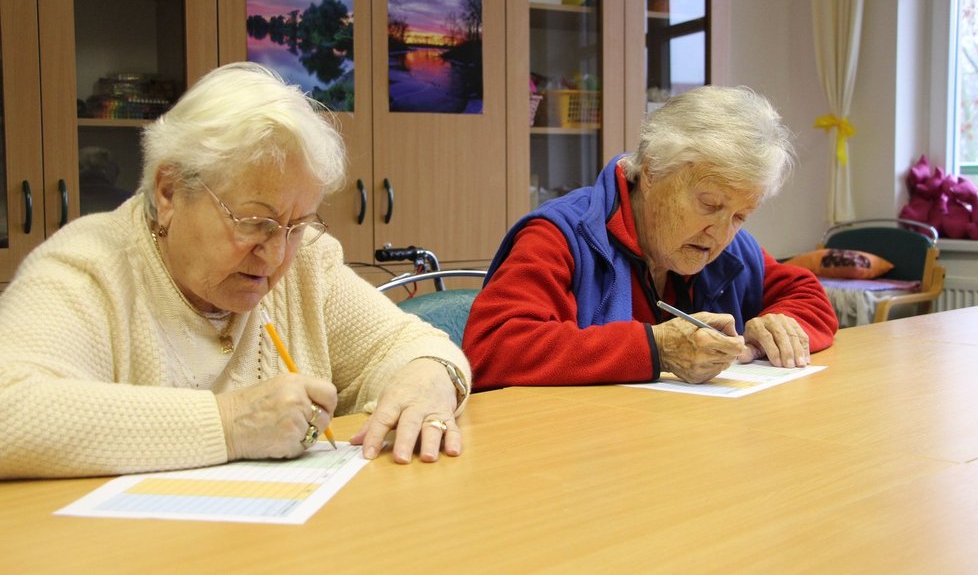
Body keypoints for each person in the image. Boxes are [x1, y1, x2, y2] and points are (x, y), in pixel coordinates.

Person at [0, 62, 470, 479]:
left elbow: (411, 344)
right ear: (169, 192)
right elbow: (9, 410)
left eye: (296, 225)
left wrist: (429, 377)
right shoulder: (90, 269)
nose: (276, 255)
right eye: (256, 223)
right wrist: (229, 423)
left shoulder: (308, 262)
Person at [463, 85, 838, 389]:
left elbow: (808, 296)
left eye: (740, 215)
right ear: (653, 172)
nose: (722, 233)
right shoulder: (560, 236)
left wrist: (779, 325)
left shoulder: (729, 247)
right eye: (709, 204)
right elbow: (492, 346)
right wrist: (656, 349)